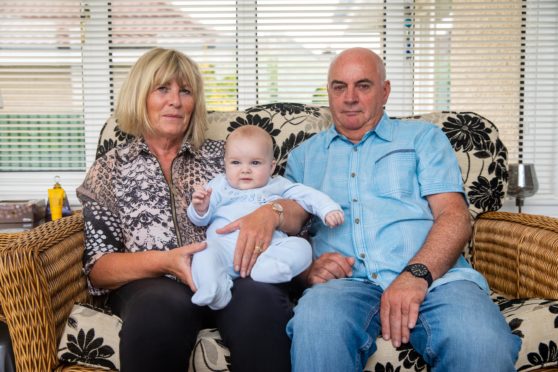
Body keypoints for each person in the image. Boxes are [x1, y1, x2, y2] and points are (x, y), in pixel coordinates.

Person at [284, 47, 521, 371]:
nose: (349, 97)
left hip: (436, 280)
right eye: (339, 86)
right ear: (329, 92)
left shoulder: (423, 139)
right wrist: (308, 270)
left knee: (480, 343)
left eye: (363, 85)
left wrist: (417, 274)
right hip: (344, 287)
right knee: (316, 327)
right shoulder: (303, 157)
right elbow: (287, 237)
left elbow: (453, 215)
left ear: (385, 91)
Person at [76, 47, 305, 372]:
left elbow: (298, 210)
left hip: (232, 272)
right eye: (163, 89)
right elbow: (98, 267)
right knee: (159, 306)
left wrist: (275, 211)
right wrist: (166, 261)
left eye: (186, 91)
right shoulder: (111, 169)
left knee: (261, 303)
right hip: (155, 283)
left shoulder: (224, 155)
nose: (176, 100)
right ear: (140, 96)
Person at [188, 125, 344, 310]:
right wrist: (200, 207)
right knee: (203, 251)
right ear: (225, 163)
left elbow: (307, 195)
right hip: (224, 249)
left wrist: (327, 209)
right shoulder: (219, 185)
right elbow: (200, 220)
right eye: (236, 163)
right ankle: (214, 288)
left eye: (255, 163)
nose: (245, 170)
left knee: (301, 247)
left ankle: (272, 269)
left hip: (268, 250)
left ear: (271, 167)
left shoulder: (277, 184)